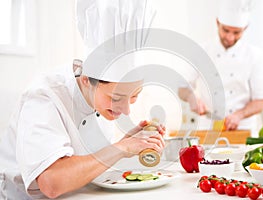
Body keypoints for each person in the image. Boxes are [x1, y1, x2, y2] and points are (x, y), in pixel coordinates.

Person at [0, 0, 165, 199]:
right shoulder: (44, 97)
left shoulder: (100, 103)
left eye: (134, 97)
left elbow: (88, 166)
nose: (126, 111)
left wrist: (125, 145)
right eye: (116, 98)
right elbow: (52, 182)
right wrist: (119, 148)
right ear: (87, 80)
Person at [178, 0, 263, 131]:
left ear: (245, 28)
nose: (230, 37)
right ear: (217, 23)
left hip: (242, 130)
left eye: (237, 32)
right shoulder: (201, 51)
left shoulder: (255, 55)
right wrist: (191, 97)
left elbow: (260, 102)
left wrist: (240, 114)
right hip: (208, 129)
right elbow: (182, 87)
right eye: (225, 30)